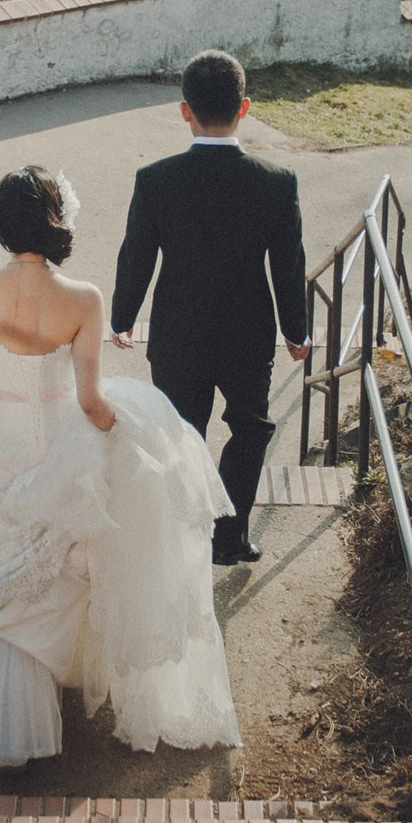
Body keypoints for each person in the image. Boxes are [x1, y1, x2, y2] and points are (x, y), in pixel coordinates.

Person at [0, 165, 240, 768]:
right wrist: (128, 431)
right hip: (61, 446)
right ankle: (62, 673)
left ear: (1, 224)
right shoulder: (82, 299)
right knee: (62, 570)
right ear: (58, 225)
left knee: (4, 575)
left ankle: (12, 712)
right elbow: (90, 401)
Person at [112, 49, 310, 567]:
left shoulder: (155, 180)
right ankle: (229, 535)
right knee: (251, 428)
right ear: (244, 107)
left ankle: (185, 534)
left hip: (178, 333)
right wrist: (297, 331)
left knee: (181, 433)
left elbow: (137, 256)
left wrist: (122, 318)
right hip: (248, 335)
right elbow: (287, 267)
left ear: (185, 110)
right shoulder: (276, 181)